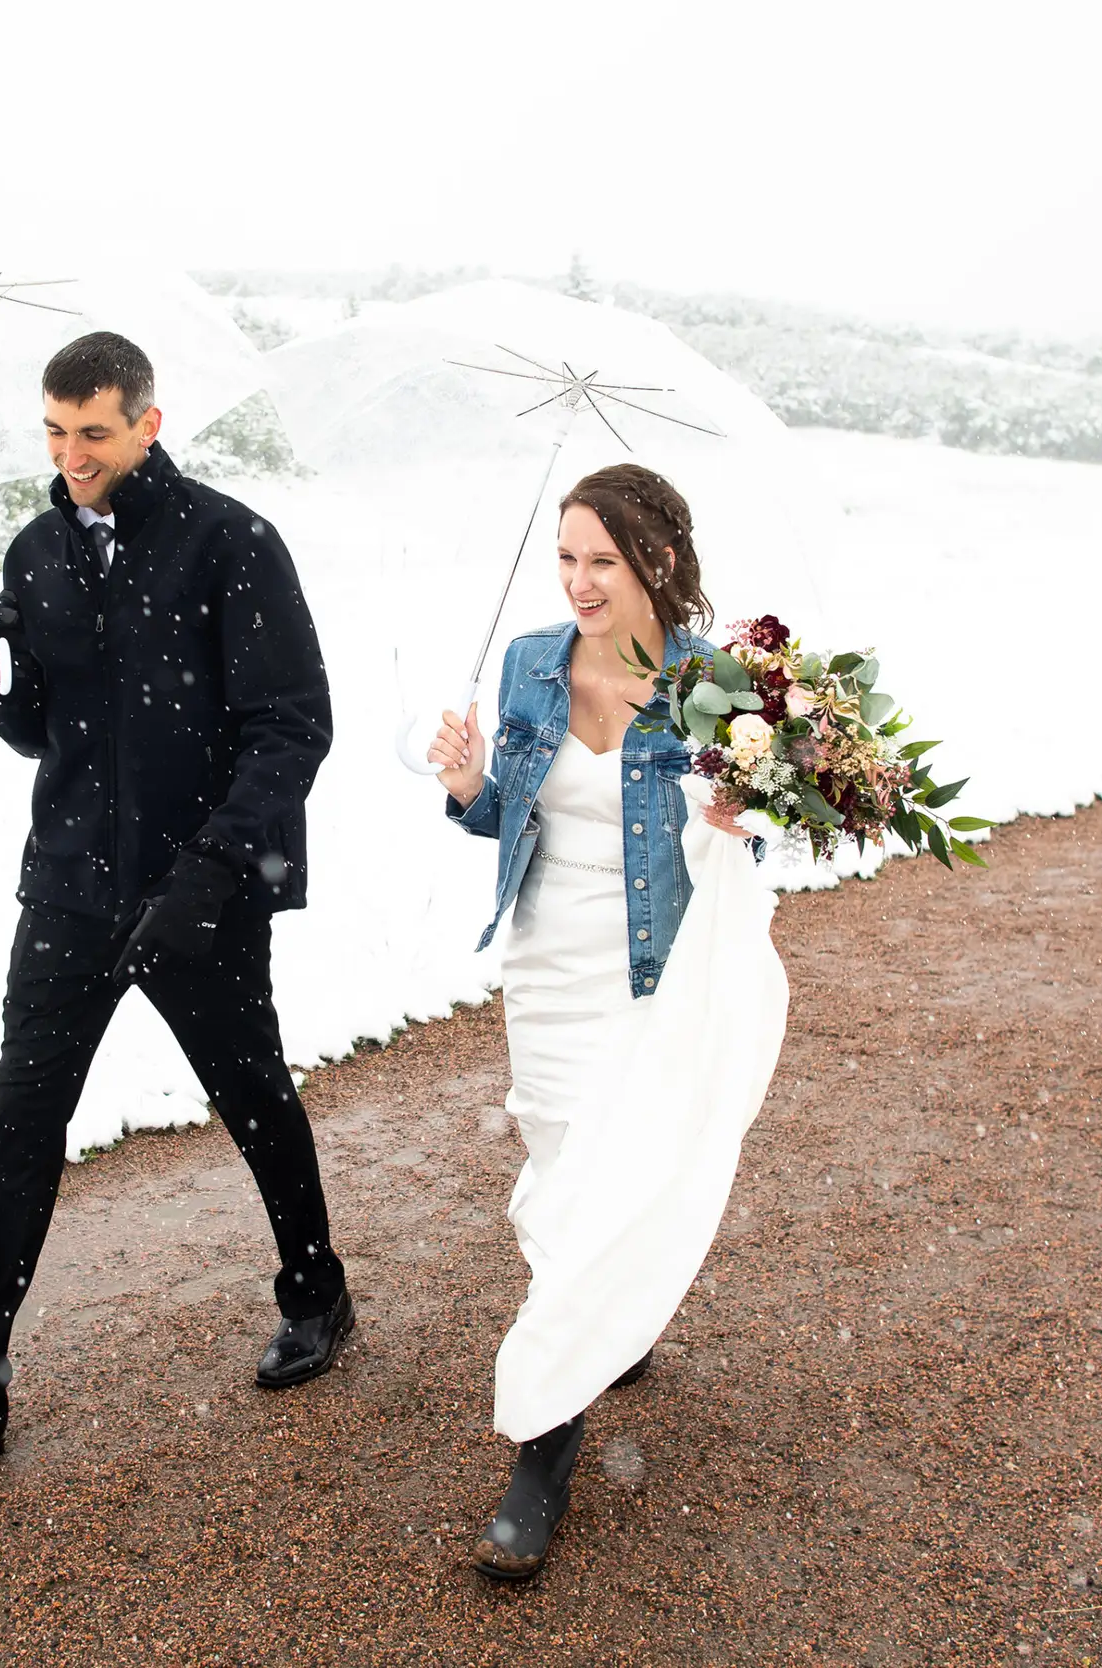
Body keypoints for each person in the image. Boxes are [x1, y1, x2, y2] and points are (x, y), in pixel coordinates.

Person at [0, 331, 354, 1465]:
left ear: (147, 425)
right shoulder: (34, 554)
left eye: (95, 434)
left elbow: (292, 727)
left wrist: (211, 873)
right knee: (17, 1129)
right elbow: (52, 736)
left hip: (201, 889)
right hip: (67, 887)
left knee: (251, 1094)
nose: (72, 455)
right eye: (57, 433)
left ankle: (317, 1292)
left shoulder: (231, 544)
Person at [428, 463, 773, 1581]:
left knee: (586, 1194)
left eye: (601, 562)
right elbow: (506, 819)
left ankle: (541, 1451)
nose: (578, 581)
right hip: (544, 968)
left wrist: (734, 818)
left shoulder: (712, 685)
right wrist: (471, 782)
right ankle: (607, 1315)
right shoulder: (531, 662)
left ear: (655, 564)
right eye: (566, 558)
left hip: (647, 974)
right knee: (565, 1167)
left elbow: (745, 839)